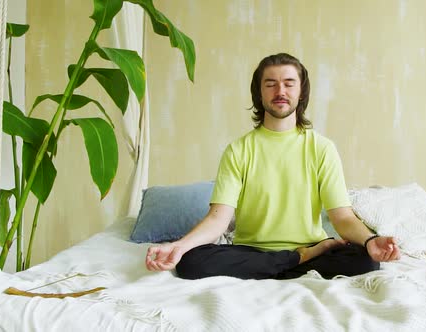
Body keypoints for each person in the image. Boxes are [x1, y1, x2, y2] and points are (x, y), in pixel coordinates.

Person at [145, 53, 400, 280]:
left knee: (365, 260)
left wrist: (370, 240)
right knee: (191, 262)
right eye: (271, 84)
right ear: (259, 92)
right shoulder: (239, 150)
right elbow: (218, 219)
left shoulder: (322, 148)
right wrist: (178, 247)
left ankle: (289, 260)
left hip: (309, 246)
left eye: (289, 83)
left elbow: (342, 217)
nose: (281, 90)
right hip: (254, 250)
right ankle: (298, 259)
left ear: (301, 92)